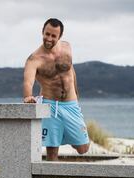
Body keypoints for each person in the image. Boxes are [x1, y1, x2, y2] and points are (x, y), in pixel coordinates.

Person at [23, 18, 89, 161]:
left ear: (59, 37)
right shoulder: (34, 59)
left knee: (83, 148)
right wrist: (28, 96)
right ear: (42, 32)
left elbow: (72, 72)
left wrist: (77, 96)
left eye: (53, 36)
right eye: (47, 34)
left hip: (71, 104)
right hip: (51, 105)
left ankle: (64, 133)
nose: (49, 38)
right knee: (52, 154)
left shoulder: (67, 47)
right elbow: (28, 82)